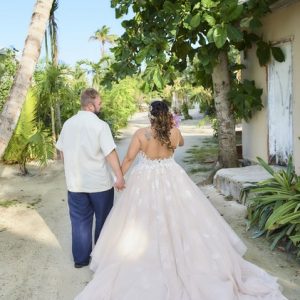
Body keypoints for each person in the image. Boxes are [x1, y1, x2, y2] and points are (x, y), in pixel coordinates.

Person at [75, 101, 287, 299]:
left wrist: (120, 178)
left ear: (150, 117)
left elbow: (129, 158)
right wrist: (173, 127)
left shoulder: (142, 134)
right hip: (172, 176)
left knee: (141, 220)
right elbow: (181, 142)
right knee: (184, 217)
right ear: (167, 116)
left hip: (146, 179)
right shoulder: (174, 132)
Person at [56, 88, 125, 269]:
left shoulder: (68, 124)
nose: (100, 105)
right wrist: (119, 177)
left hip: (76, 185)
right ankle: (100, 259)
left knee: (79, 222)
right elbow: (110, 153)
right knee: (103, 220)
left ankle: (81, 260)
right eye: (99, 103)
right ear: (90, 105)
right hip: (99, 184)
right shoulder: (100, 126)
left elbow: (62, 152)